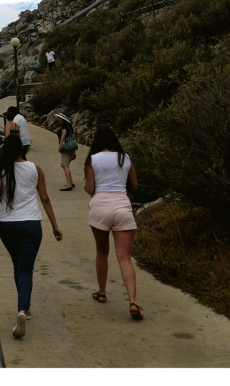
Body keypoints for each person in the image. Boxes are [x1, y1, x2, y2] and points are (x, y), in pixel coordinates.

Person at [0, 134, 63, 339]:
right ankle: (23, 309)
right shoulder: (35, 169)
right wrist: (55, 226)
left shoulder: (1, 170)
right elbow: (45, 199)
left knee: (17, 264)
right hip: (31, 225)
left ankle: (24, 308)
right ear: (21, 148)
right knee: (25, 268)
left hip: (7, 226)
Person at [83, 125, 143, 320]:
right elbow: (134, 185)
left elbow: (89, 188)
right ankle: (133, 301)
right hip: (122, 206)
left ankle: (102, 292)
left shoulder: (92, 159)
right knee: (124, 257)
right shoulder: (125, 158)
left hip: (100, 207)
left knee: (102, 251)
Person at [54, 112, 76, 191]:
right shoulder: (69, 125)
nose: (58, 119)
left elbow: (64, 134)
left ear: (62, 119)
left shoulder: (64, 125)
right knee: (64, 165)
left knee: (65, 166)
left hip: (65, 148)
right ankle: (71, 182)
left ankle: (68, 184)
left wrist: (60, 145)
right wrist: (74, 152)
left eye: (59, 118)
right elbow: (72, 137)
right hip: (71, 148)